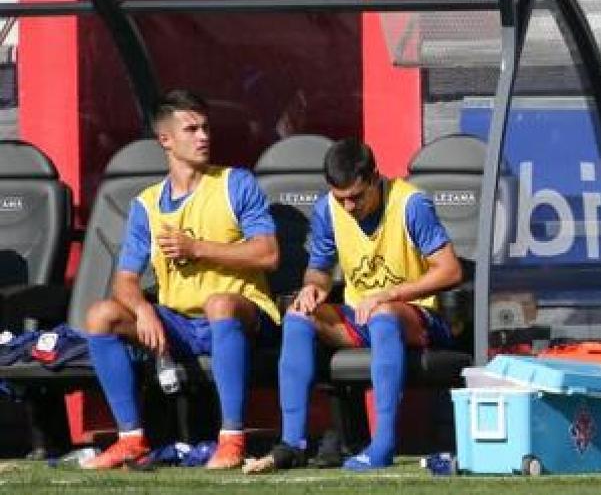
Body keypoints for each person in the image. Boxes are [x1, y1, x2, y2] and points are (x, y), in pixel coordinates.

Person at [82, 89, 281, 470]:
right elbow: (125, 279)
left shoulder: (235, 183)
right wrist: (143, 310)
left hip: (244, 315)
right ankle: (130, 439)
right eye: (192, 129)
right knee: (100, 315)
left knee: (219, 302)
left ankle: (232, 438)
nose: (203, 136)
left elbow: (268, 254)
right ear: (166, 140)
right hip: (179, 321)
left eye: (205, 128)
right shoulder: (147, 203)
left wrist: (197, 248)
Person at [245, 138, 462, 473]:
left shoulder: (410, 204)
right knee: (298, 316)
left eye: (356, 196)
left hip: (417, 317)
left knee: (383, 314)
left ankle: (384, 444)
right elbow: (318, 270)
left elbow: (450, 269)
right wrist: (312, 290)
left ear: (375, 178)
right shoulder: (326, 210)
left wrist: (390, 294)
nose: (348, 206)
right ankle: (292, 444)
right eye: (340, 197)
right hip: (362, 316)